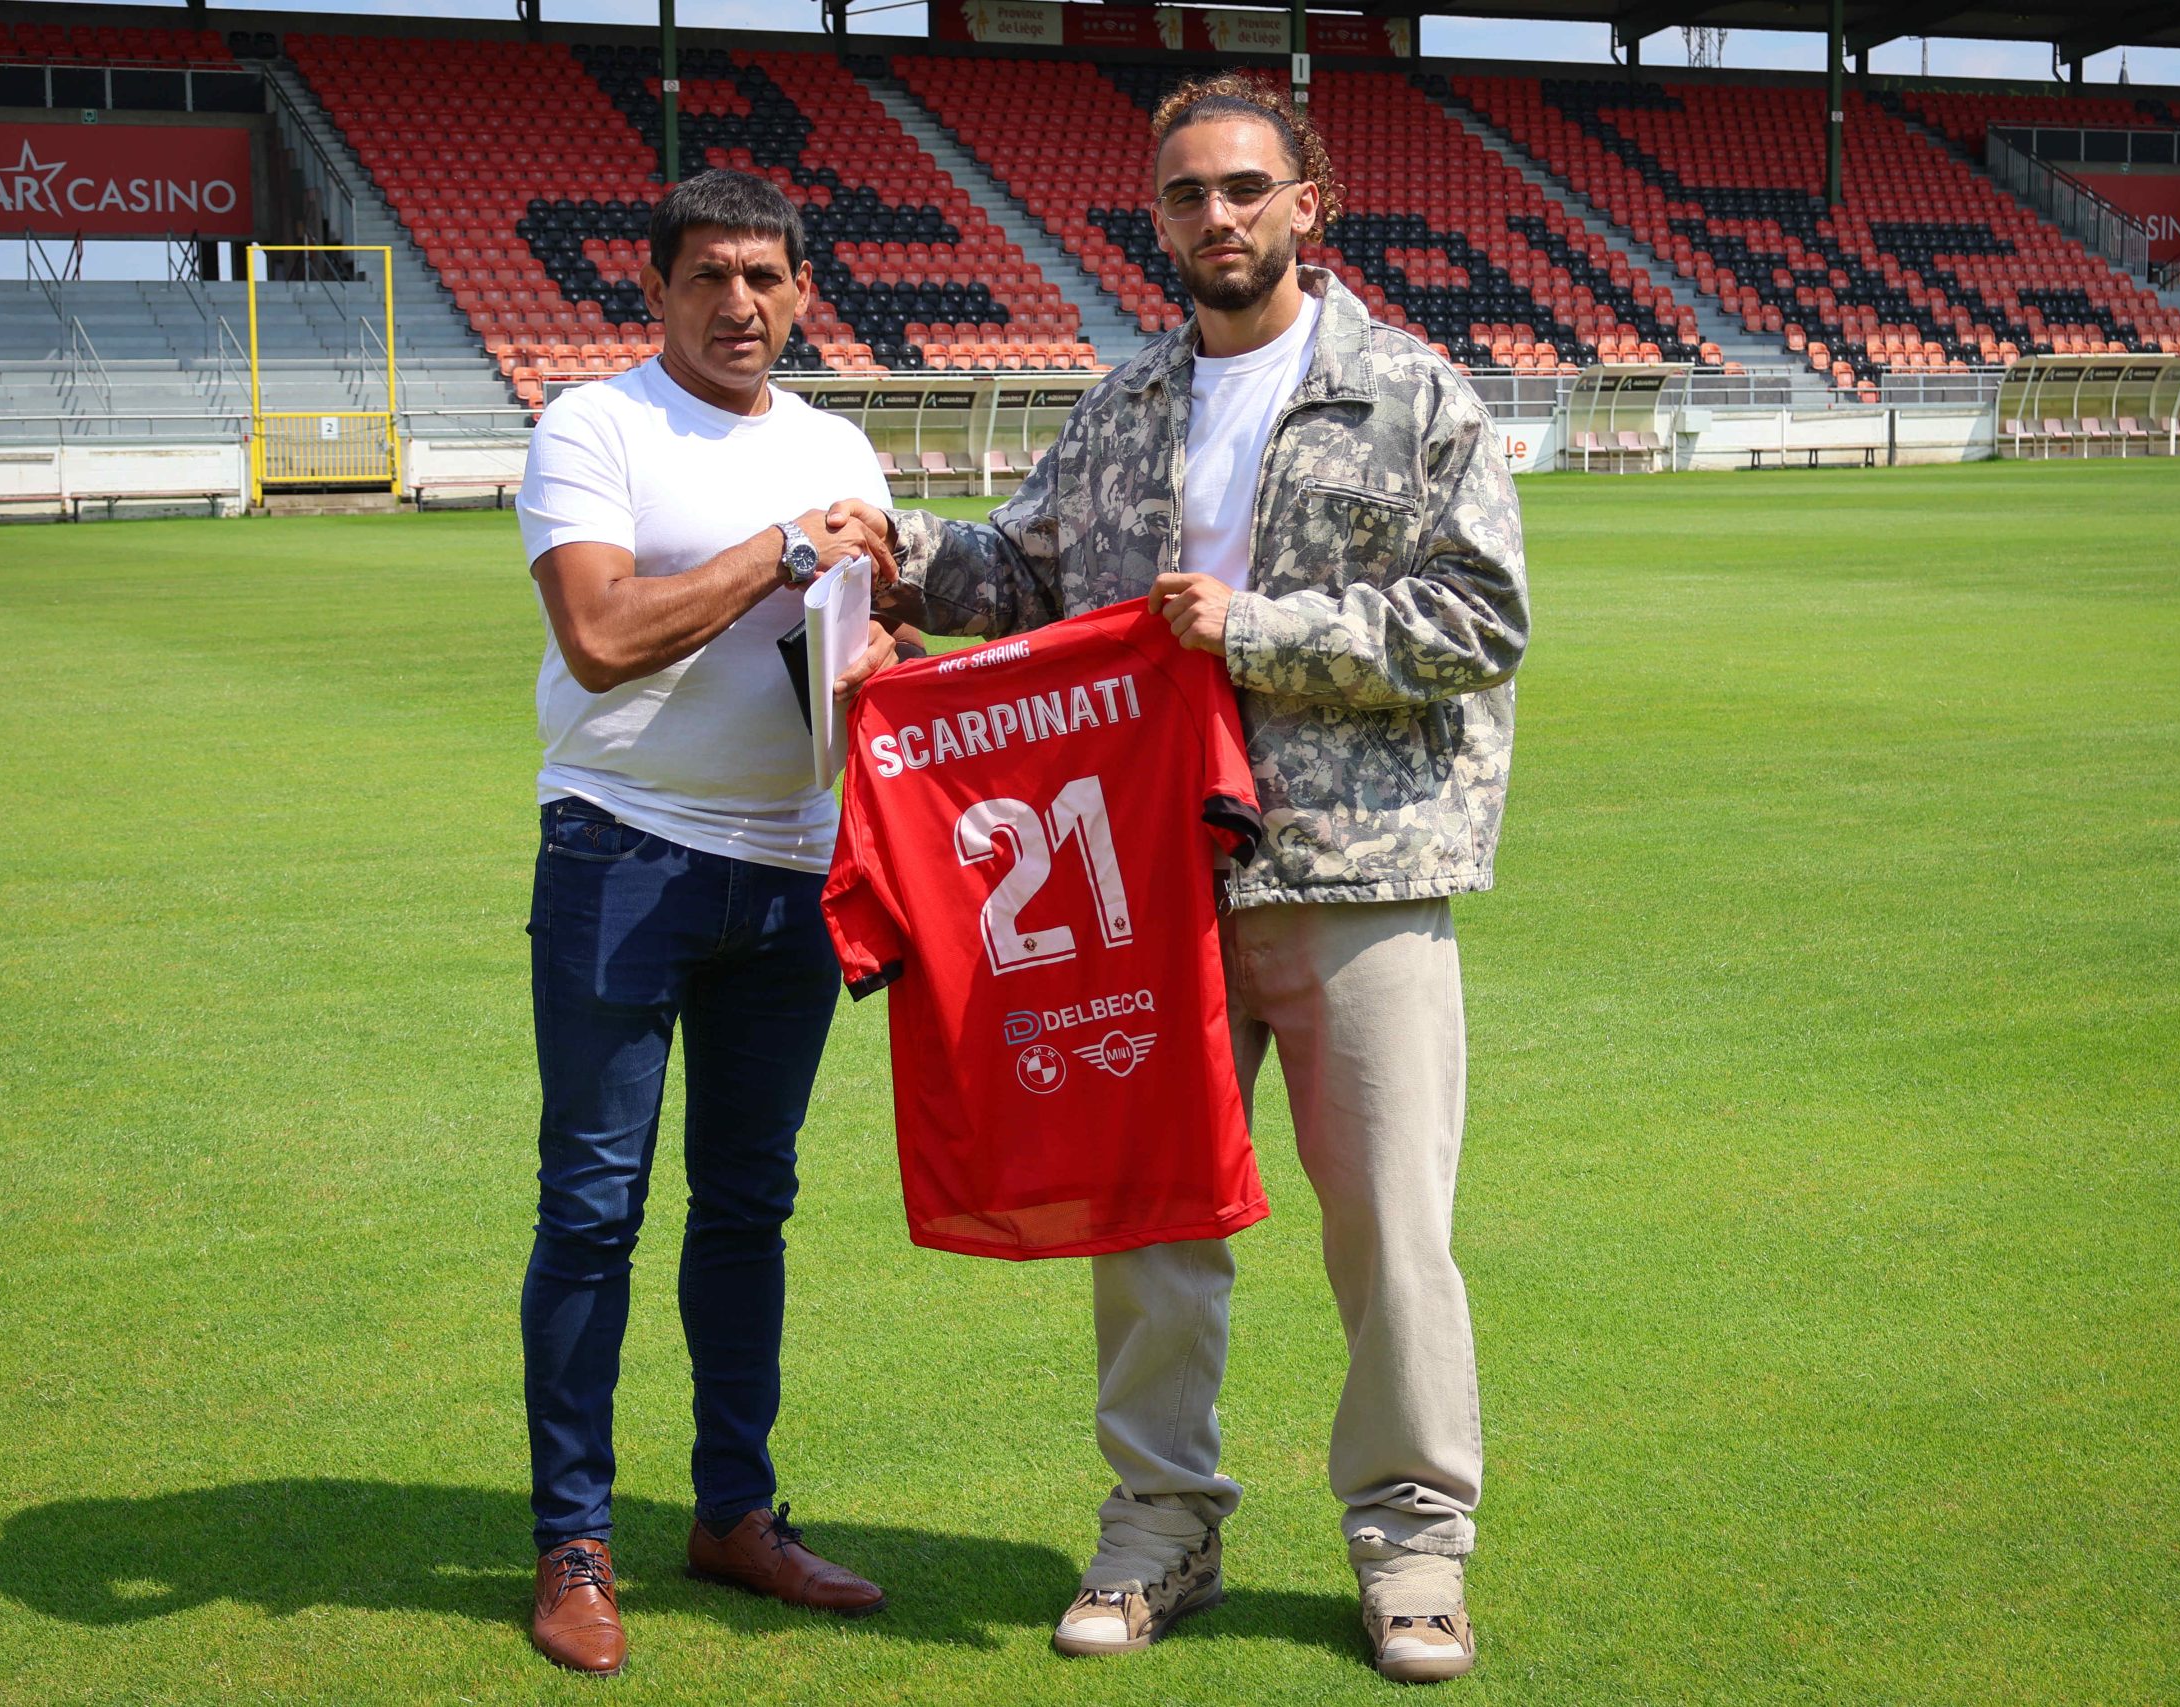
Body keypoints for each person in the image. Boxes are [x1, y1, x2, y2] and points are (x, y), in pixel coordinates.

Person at [841, 76, 1529, 1684]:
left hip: (1354, 874)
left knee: (1391, 1234)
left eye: (1242, 188)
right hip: (1152, 880)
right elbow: (1024, 573)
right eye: (1185, 195)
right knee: (1150, 1222)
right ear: (1157, 218)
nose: (1215, 217)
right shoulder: (1128, 401)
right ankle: (1161, 1524)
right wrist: (897, 550)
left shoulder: (1409, 391)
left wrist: (1257, 629)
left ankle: (1414, 1545)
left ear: (1306, 203)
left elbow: (1481, 620)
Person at [512, 168, 904, 1677]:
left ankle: (734, 1513)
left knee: (749, 1205)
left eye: (764, 276)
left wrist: (899, 655)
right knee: (591, 1208)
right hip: (622, 850)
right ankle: (575, 1541)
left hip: (794, 867)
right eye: (708, 276)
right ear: (657, 290)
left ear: (803, 291)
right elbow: (600, 636)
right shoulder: (594, 426)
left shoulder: (837, 444)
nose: (739, 304)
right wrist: (784, 551)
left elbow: (861, 641)